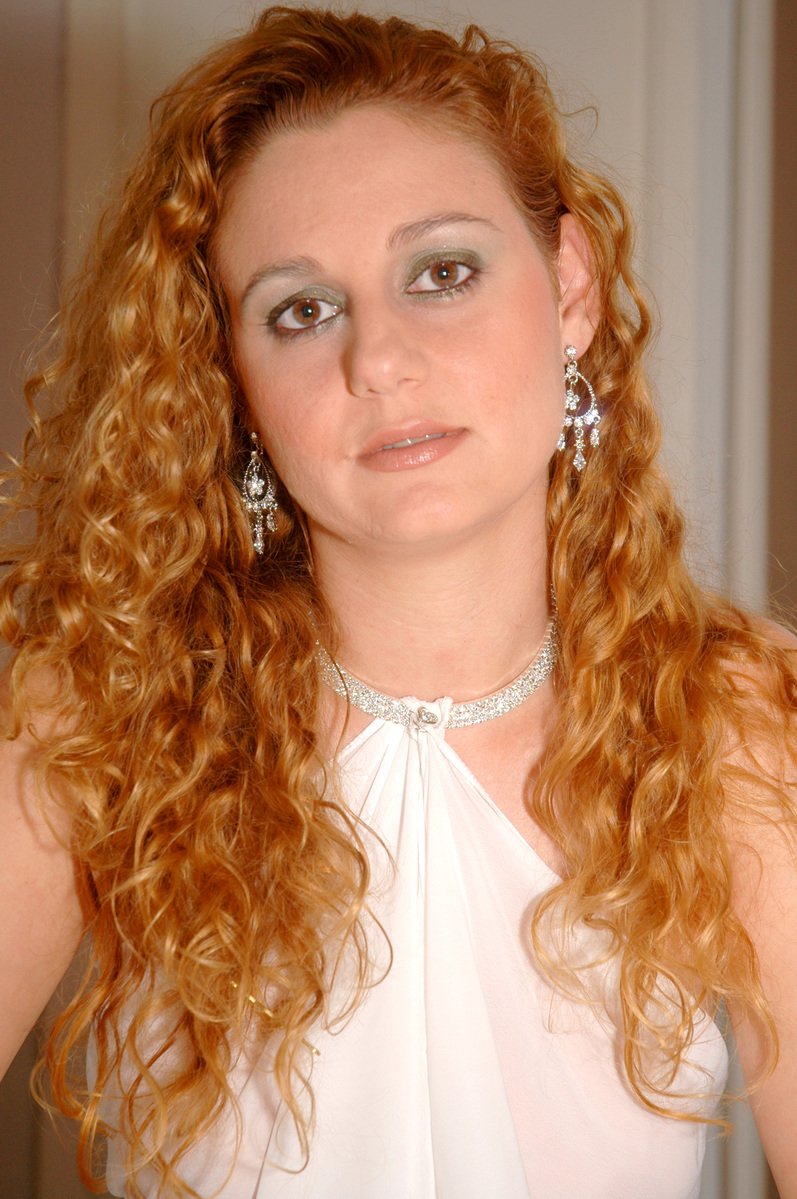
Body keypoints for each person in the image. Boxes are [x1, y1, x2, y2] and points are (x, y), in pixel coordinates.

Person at [1, 6, 795, 1198]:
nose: (377, 357)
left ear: (568, 288)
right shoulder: (101, 710)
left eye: (441, 271)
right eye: (299, 309)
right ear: (232, 382)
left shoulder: (736, 719)